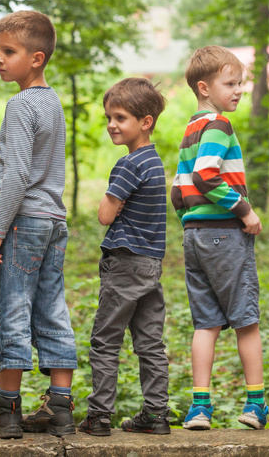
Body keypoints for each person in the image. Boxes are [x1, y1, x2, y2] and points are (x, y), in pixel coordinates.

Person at [0, 10, 78, 439]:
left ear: (36, 58)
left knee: (13, 310)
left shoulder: (20, 104)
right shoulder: (52, 100)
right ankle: (60, 409)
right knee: (52, 309)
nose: (0, 59)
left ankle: (8, 413)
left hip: (21, 223)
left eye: (9, 51)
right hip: (53, 221)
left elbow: (18, 175)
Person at [170, 46, 268, 431]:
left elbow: (178, 191)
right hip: (225, 235)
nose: (239, 90)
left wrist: (189, 222)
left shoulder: (190, 131)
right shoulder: (219, 126)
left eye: (240, 82)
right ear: (204, 87)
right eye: (231, 83)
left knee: (205, 324)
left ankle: (199, 408)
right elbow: (205, 177)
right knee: (246, 321)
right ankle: (256, 404)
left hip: (194, 237)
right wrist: (244, 210)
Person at [80, 78, 170, 437]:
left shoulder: (129, 164)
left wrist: (111, 207)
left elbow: (105, 214)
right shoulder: (155, 161)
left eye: (120, 117)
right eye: (108, 117)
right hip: (150, 265)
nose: (112, 125)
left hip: (124, 264)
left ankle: (99, 416)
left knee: (105, 340)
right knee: (150, 343)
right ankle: (156, 414)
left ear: (145, 122)